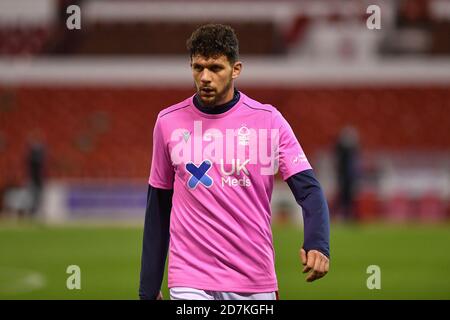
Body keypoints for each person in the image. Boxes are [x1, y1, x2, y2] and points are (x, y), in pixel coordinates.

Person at [139, 24, 330, 301]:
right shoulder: (168, 123)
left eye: (215, 68)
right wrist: (148, 288)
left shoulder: (268, 121)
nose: (205, 77)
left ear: (236, 69)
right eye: (198, 67)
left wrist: (317, 243)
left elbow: (309, 190)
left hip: (254, 279)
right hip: (190, 279)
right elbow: (158, 206)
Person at [334, 126, 360, 222]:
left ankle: (349, 215)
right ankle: (345, 215)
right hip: (344, 177)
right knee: (344, 197)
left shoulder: (352, 149)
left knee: (349, 197)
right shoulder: (342, 148)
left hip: (349, 177)